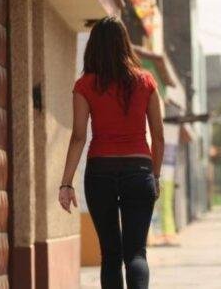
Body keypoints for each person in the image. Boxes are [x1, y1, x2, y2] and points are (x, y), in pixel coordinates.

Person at [58, 17, 165, 289]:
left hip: (100, 172)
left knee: (110, 254)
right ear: (124, 44)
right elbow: (158, 136)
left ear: (93, 47)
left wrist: (66, 183)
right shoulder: (146, 82)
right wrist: (155, 176)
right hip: (139, 171)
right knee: (136, 253)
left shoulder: (85, 85)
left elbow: (78, 136)